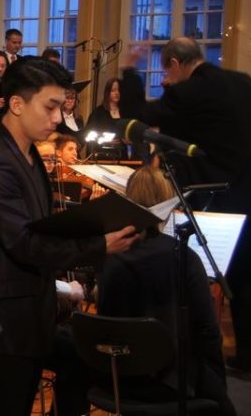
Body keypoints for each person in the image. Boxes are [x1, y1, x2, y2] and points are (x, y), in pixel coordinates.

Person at [0, 57, 139, 416]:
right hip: (4, 324)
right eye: (50, 106)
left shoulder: (25, 153)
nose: (58, 118)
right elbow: (24, 243)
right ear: (16, 104)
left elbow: (41, 224)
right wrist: (99, 245)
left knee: (80, 363)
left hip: (31, 315)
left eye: (60, 107)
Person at [120, 37, 251, 378]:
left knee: (198, 272)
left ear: (176, 65)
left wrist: (130, 70)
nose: (168, 81)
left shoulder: (189, 93)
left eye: (168, 72)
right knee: (248, 277)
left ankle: (191, 354)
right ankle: (249, 356)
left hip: (216, 197)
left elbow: (138, 116)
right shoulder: (242, 82)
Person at [97, 166, 236, 415]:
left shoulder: (111, 254)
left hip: (118, 379)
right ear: (168, 203)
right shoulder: (183, 256)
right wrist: (217, 380)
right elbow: (207, 330)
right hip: (171, 381)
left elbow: (107, 319)